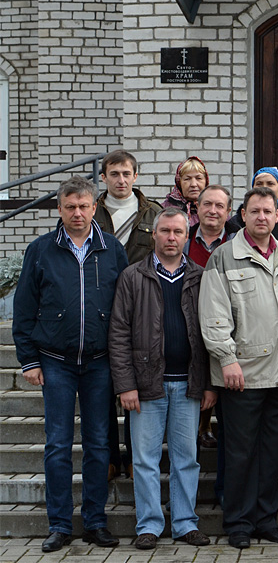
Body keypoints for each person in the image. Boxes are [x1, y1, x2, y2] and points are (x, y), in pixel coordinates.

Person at [13, 176, 128, 552]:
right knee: (58, 444)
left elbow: (125, 307)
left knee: (98, 444)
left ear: (95, 208)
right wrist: (29, 359)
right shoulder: (41, 249)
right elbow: (24, 308)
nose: (77, 213)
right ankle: (60, 525)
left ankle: (95, 521)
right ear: (60, 209)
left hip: (99, 362)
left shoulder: (111, 248)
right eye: (70, 207)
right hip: (55, 362)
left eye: (83, 206)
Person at [108, 208, 216, 550]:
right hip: (146, 385)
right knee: (145, 460)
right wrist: (125, 385)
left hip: (188, 384)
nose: (171, 237)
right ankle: (149, 525)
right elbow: (118, 334)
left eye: (178, 232)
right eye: (165, 231)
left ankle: (185, 523)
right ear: (153, 234)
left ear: (187, 236)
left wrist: (209, 384)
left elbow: (212, 332)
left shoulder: (200, 277)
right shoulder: (132, 276)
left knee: (187, 458)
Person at [198, 186, 278, 549]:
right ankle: (238, 522)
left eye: (268, 211)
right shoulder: (223, 257)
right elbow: (213, 317)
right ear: (242, 215)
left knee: (272, 453)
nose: (261, 217)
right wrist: (227, 360)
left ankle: (266, 520)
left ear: (277, 216)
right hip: (242, 374)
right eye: (254, 211)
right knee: (240, 454)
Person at [93, 149, 162, 482]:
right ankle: (109, 457)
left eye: (126, 174)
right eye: (114, 174)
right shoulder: (90, 212)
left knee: (138, 384)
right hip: (99, 307)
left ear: (136, 176)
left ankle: (136, 457)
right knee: (103, 386)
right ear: (103, 177)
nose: (121, 180)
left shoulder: (154, 213)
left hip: (141, 308)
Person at [184, 185, 239, 499]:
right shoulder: (183, 240)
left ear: (228, 212)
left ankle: (224, 491)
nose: (213, 211)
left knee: (229, 425)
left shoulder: (237, 244)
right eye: (207, 204)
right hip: (188, 338)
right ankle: (186, 495)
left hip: (228, 340)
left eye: (220, 206)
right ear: (197, 208)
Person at [162, 156, 209, 227]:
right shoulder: (164, 210)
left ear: (206, 181)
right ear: (179, 183)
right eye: (187, 179)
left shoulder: (214, 209)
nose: (193, 184)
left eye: (198, 178)